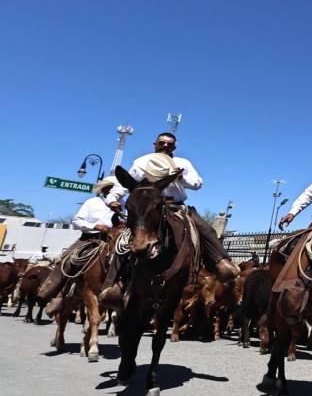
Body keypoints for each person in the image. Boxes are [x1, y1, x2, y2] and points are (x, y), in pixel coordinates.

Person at [101, 132, 240, 309]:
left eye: (169, 144)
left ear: (174, 147)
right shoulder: (141, 161)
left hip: (175, 206)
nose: (165, 146)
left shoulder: (182, 163)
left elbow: (198, 183)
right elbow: (126, 184)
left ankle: (221, 263)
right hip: (147, 209)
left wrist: (181, 177)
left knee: (205, 229)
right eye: (162, 143)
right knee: (125, 238)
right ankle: (112, 285)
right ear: (155, 144)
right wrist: (112, 198)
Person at [38, 177, 119, 314]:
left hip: (113, 240)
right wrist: (95, 226)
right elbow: (76, 221)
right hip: (90, 238)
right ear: (104, 189)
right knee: (66, 260)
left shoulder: (122, 204)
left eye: (116, 188)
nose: (114, 191)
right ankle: (51, 293)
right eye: (111, 188)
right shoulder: (92, 202)